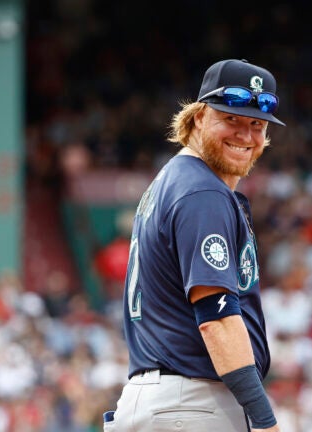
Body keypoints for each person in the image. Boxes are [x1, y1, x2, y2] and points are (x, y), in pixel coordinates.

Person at [103, 58, 285, 432]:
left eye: (257, 124)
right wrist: (265, 421)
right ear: (198, 117)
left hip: (162, 400)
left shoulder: (173, 180)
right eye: (231, 119)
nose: (245, 135)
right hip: (190, 404)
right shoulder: (202, 192)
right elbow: (216, 319)